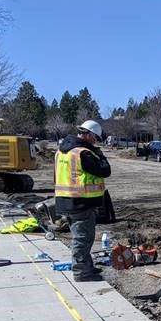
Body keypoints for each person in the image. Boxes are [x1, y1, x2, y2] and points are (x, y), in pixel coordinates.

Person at [54, 120, 112, 282]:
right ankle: (81, 272)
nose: (95, 141)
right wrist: (100, 155)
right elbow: (105, 170)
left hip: (67, 200)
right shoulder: (83, 153)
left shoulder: (62, 151)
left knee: (82, 237)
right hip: (81, 201)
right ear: (88, 135)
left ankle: (86, 265)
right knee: (82, 238)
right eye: (95, 138)